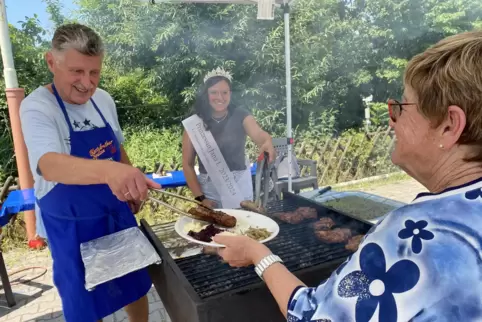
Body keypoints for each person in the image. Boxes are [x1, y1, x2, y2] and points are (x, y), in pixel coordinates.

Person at [213, 30, 482, 321]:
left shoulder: (416, 235)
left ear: (449, 126)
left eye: (401, 108)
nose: (393, 121)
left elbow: (313, 314)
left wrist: (257, 254)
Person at [19, 23, 160, 322]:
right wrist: (109, 171)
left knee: (134, 287)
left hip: (114, 212)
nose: (87, 83)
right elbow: (48, 164)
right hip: (72, 226)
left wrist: (129, 180)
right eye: (77, 72)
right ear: (51, 62)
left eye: (94, 72)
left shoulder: (104, 100)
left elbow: (118, 149)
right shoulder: (38, 107)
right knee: (84, 304)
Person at [182, 68, 276, 209]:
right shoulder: (195, 123)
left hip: (240, 189)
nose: (220, 97)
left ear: (230, 94)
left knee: (244, 228)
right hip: (210, 192)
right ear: (206, 95)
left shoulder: (241, 115)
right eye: (214, 92)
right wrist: (200, 198)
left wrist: (267, 141)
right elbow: (187, 165)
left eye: (224, 92)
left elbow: (259, 134)